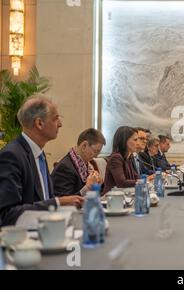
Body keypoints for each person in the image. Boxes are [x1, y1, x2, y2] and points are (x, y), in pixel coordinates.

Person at [0, 95, 84, 226]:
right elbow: (8, 214)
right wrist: (58, 203)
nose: (60, 124)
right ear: (39, 123)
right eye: (56, 119)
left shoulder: (39, 153)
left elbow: (44, 199)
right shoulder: (12, 156)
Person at [51, 128, 106, 197]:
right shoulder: (64, 168)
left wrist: (99, 183)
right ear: (84, 146)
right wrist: (87, 187)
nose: (96, 156)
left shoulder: (88, 165)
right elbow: (64, 202)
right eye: (95, 151)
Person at [104, 126, 140, 193]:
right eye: (135, 140)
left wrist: (147, 179)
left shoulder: (128, 157)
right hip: (112, 199)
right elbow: (121, 183)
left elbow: (136, 177)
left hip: (125, 195)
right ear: (124, 140)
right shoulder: (116, 158)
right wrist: (142, 182)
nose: (138, 143)